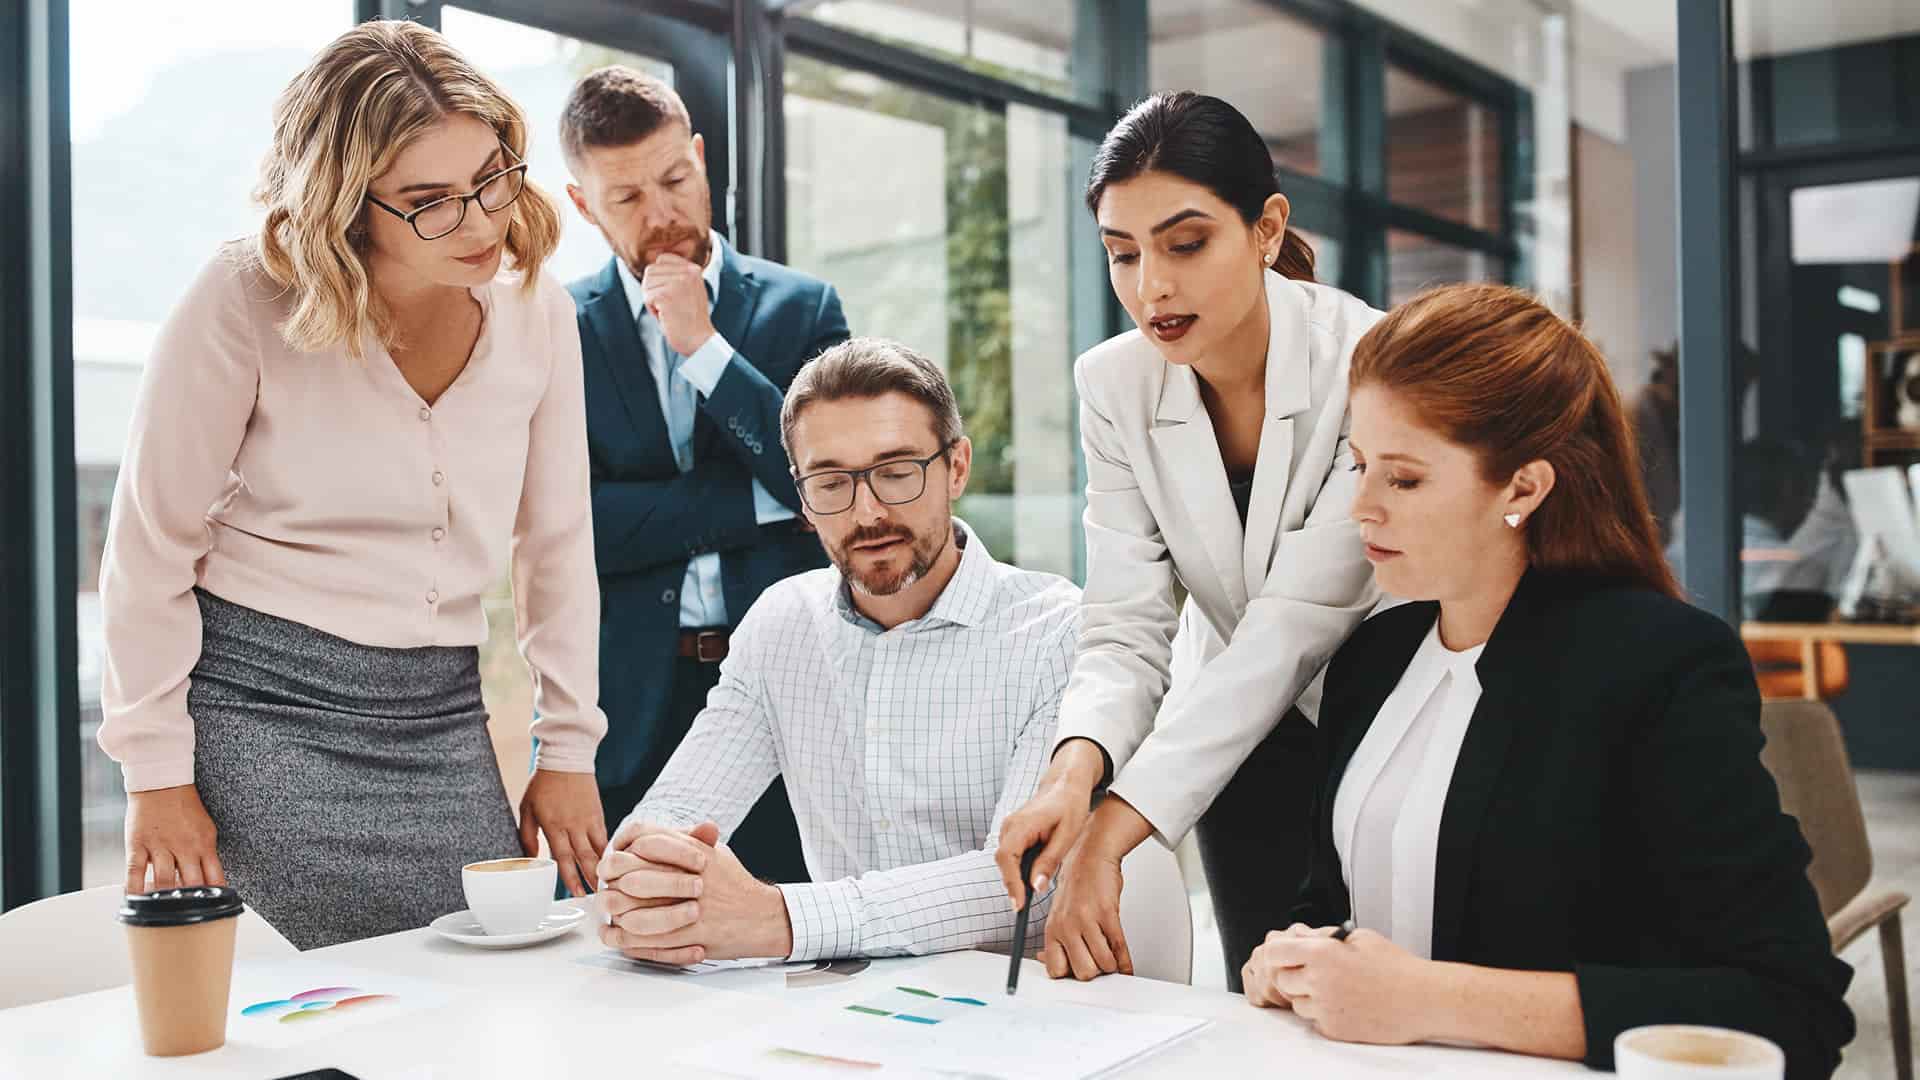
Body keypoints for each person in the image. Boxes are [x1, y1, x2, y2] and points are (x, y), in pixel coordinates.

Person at [1246, 284, 1854, 1079]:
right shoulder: (1373, 658)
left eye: (1404, 479)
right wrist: (1296, 955)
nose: (1360, 506)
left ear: (1524, 488)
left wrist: (1430, 999)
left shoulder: (1660, 664)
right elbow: (1334, 904)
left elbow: (1790, 1007)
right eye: (1359, 466)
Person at [97, 21, 607, 948]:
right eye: (429, 201)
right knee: (318, 1002)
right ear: (347, 202)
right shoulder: (245, 296)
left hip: (440, 712)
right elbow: (149, 544)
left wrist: (567, 747)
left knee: (481, 981)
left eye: (490, 178)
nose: (479, 222)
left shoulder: (539, 312)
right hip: (260, 707)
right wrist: (156, 774)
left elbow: (558, 544)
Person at [993, 92, 1381, 987]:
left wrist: (1112, 832)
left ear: (1267, 228)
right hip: (1235, 743)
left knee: (1381, 998)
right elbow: (1124, 623)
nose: (1151, 288)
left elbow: (1298, 620)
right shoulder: (1114, 384)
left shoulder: (1367, 357)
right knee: (1261, 995)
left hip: (1385, 715)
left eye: (1186, 243)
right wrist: (1073, 776)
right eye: (1122, 253)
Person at [593, 339, 1078, 964]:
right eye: (830, 483)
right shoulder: (782, 623)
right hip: (837, 1004)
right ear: (802, 499)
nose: (868, 512)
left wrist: (778, 919)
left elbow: (1017, 883)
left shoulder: (1055, 631)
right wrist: (643, 881)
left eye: (896, 473)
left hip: (1017, 1000)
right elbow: (677, 810)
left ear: (956, 467)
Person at [559, 67, 850, 881]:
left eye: (675, 180)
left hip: (788, 697)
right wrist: (754, 503)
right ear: (582, 204)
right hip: (631, 707)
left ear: (699, 156)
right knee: (629, 932)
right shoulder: (556, 329)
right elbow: (571, 528)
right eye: (626, 197)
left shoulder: (804, 309)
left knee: (796, 931)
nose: (662, 215)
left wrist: (704, 348)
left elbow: (825, 484)